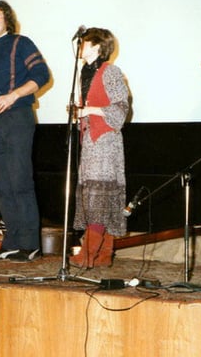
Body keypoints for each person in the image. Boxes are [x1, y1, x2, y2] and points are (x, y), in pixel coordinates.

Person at [0, 0, 50, 262]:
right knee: (2, 186)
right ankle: (12, 242)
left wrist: (13, 95)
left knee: (19, 181)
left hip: (18, 117)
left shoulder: (20, 43)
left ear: (7, 20)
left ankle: (30, 244)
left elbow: (41, 75)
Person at [68, 28, 130, 269]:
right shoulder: (85, 72)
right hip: (90, 140)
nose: (79, 47)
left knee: (99, 196)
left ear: (96, 46)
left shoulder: (110, 72)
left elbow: (122, 109)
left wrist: (89, 111)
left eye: (84, 43)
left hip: (105, 141)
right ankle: (103, 255)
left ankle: (88, 252)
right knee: (97, 195)